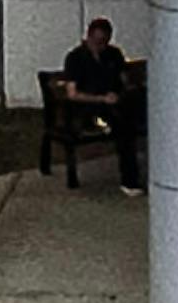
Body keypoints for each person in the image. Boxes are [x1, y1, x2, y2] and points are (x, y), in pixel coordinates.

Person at [59, 16, 143, 187]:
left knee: (130, 117)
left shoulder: (113, 55)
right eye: (97, 41)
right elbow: (73, 94)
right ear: (89, 37)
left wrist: (123, 92)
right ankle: (130, 180)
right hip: (92, 115)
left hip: (116, 108)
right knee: (122, 127)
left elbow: (124, 81)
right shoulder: (75, 58)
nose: (101, 45)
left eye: (104, 41)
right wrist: (101, 99)